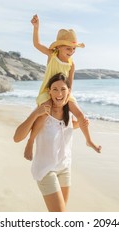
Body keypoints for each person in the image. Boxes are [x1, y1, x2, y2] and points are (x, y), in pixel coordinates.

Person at [24, 14, 101, 160]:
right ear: (58, 47)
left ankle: (89, 141)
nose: (71, 51)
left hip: (65, 93)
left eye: (73, 49)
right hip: (48, 92)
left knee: (81, 116)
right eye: (68, 48)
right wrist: (36, 28)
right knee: (45, 111)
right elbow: (36, 44)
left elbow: (70, 85)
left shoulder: (72, 64)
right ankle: (30, 141)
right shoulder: (51, 55)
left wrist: (66, 98)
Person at [13, 73, 88, 212]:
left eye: (63, 89)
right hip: (46, 169)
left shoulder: (69, 112)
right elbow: (17, 138)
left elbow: (66, 127)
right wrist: (35, 113)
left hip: (65, 168)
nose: (59, 93)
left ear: (69, 92)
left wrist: (81, 123)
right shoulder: (43, 112)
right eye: (55, 89)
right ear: (49, 91)